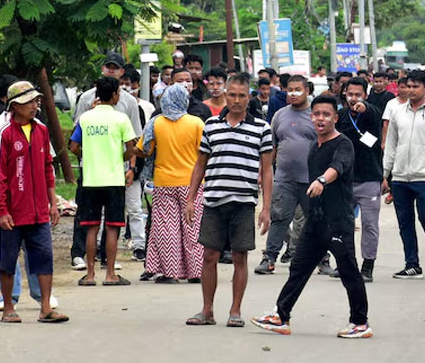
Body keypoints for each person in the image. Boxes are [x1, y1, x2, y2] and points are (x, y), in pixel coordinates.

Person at [250, 95, 372, 339]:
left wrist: (321, 180)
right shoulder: (313, 147)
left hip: (338, 222)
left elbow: (338, 166)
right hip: (315, 221)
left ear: (335, 118)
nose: (320, 118)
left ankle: (360, 323)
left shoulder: (342, 144)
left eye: (326, 114)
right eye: (316, 114)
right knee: (298, 268)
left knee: (348, 271)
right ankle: (281, 316)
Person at [184, 74, 273, 327]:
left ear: (248, 97)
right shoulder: (211, 125)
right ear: (225, 94)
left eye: (241, 95)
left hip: (244, 202)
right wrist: (191, 198)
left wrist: (266, 207)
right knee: (209, 255)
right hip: (213, 201)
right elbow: (200, 164)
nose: (236, 100)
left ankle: (235, 311)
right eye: (232, 95)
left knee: (239, 257)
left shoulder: (261, 129)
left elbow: (267, 170)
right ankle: (207, 310)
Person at [0, 80, 68, 323]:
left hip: (39, 211)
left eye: (36, 101)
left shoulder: (42, 130)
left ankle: (45, 307)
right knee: (8, 259)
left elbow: (48, 167)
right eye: (29, 102)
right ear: (15, 106)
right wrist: (2, 210)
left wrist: (52, 202)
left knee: (44, 257)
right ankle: (8, 308)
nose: (35, 106)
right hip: (13, 212)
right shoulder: (3, 133)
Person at [71, 52, 143, 271]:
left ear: (122, 71)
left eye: (115, 67)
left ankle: (93, 271)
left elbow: (74, 144)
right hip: (112, 174)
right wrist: (120, 157)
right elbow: (133, 146)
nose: (111, 70)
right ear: (115, 95)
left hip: (97, 173)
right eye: (108, 66)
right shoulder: (90, 101)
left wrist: (88, 155)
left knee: (92, 224)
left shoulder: (125, 105)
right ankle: (104, 268)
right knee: (111, 225)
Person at [254, 75, 328, 275]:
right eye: (290, 90)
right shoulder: (279, 115)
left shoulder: (317, 115)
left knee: (316, 220)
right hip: (284, 179)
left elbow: (327, 145)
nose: (293, 94)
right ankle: (269, 258)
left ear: (307, 91)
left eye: (298, 89)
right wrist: (264, 171)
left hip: (311, 180)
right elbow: (272, 147)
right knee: (279, 218)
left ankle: (323, 260)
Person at [133, 84, 205, 283]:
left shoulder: (156, 123)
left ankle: (170, 272)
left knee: (167, 228)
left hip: (164, 182)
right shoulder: (197, 123)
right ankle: (196, 271)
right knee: (193, 226)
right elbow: (205, 152)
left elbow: (144, 150)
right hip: (193, 183)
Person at [383, 70, 425, 278]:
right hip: (400, 176)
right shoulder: (398, 112)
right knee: (405, 222)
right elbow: (391, 145)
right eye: (408, 86)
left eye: (416, 86)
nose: (411, 90)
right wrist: (386, 173)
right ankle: (412, 264)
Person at [335, 77, 385, 282]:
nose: (353, 98)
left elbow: (368, 111)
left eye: (358, 94)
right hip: (345, 180)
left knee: (369, 224)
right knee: (343, 224)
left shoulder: (372, 112)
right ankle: (347, 263)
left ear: (365, 95)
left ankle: (368, 266)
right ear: (344, 94)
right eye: (350, 94)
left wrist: (363, 107)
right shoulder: (341, 115)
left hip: (369, 178)